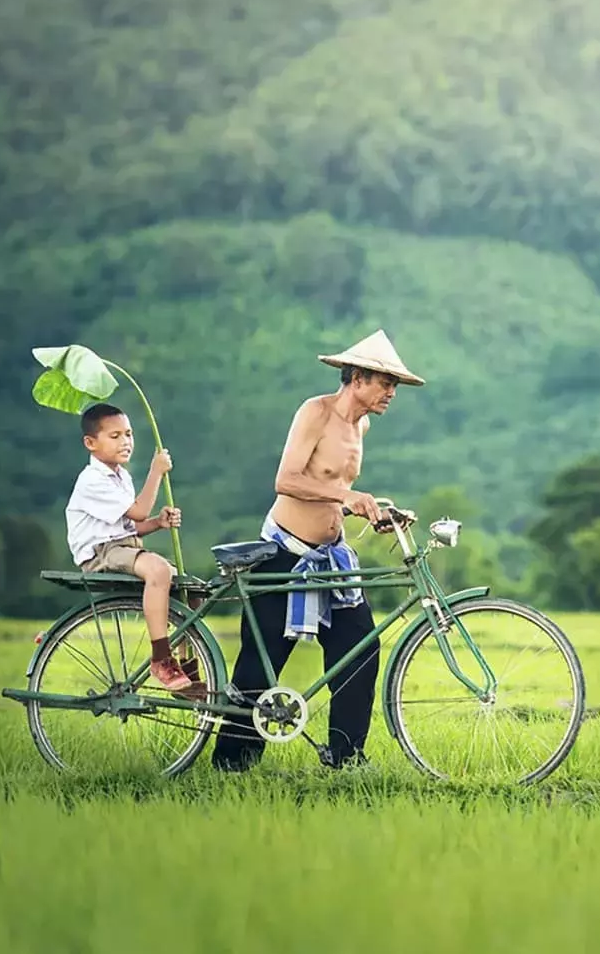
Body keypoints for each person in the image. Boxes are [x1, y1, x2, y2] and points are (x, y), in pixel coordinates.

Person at [211, 329, 425, 773]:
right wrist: (347, 498)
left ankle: (347, 759)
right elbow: (286, 480)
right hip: (284, 553)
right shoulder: (316, 412)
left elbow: (337, 491)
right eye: (386, 383)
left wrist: (373, 510)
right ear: (359, 378)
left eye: (395, 386)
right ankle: (232, 765)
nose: (391, 393)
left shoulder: (360, 426)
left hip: (332, 556)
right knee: (261, 662)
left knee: (359, 649)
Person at [64, 402, 195, 693]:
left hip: (124, 547)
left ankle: (190, 663)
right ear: (90, 443)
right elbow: (136, 511)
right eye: (115, 436)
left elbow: (132, 526)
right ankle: (162, 658)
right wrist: (156, 471)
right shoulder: (92, 480)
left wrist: (158, 522)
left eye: (129, 434)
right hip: (102, 553)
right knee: (159, 570)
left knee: (191, 590)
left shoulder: (121, 476)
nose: (126, 442)